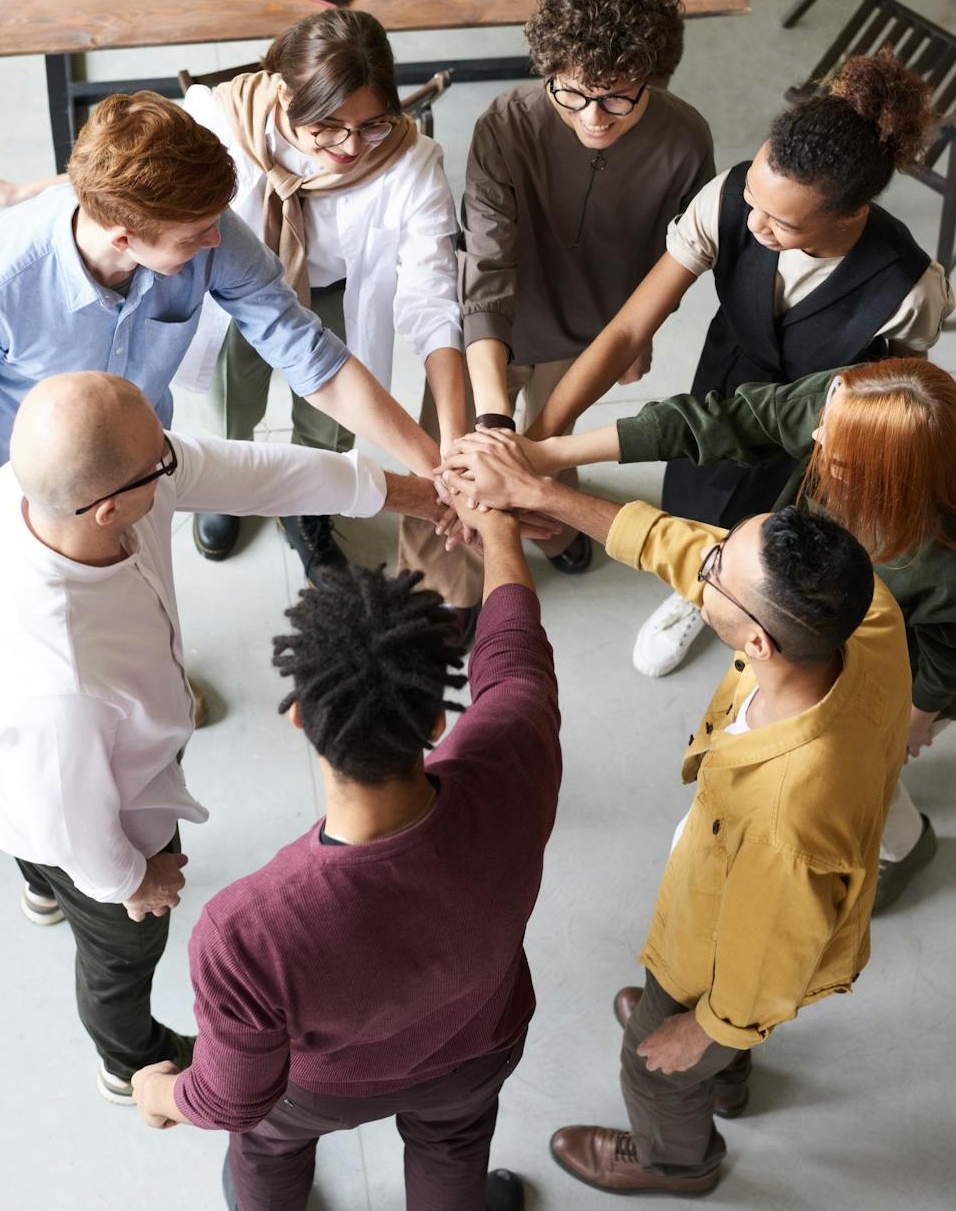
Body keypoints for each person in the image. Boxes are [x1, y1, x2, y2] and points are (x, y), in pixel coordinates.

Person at [440, 429, 910, 1196]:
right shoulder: (863, 613)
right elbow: (687, 551)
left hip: (730, 946)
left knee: (652, 1065)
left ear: (756, 640)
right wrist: (544, 495)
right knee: (694, 1026)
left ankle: (678, 1159)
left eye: (719, 569)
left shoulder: (786, 820)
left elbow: (770, 963)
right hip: (742, 899)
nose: (705, 562)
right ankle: (728, 1075)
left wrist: (705, 1029)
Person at [0, 371, 444, 1105]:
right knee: (120, 950)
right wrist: (132, 882)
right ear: (110, 509)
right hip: (87, 813)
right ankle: (126, 1057)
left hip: (53, 760)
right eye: (161, 461)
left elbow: (258, 474)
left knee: (50, 853)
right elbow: (65, 817)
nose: (176, 459)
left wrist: (414, 495)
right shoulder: (65, 681)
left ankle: (41, 887)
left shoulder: (58, 485)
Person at [130, 497, 561, 1211]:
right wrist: (503, 532)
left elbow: (234, 1099)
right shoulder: (515, 754)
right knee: (452, 1146)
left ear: (300, 717)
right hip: (479, 1043)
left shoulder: (246, 931)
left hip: (317, 1093)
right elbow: (516, 658)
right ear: (435, 715)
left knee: (269, 1147)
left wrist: (161, 1094)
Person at [524, 51, 953, 678]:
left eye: (780, 221)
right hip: (727, 378)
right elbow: (626, 329)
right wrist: (540, 439)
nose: (754, 225)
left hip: (819, 431)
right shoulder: (727, 200)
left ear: (851, 214)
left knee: (778, 537)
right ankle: (695, 590)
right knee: (696, 488)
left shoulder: (911, 289)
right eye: (753, 197)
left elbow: (892, 397)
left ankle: (743, 607)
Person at [495, 356, 956, 908]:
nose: (813, 433)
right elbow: (728, 422)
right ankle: (905, 837)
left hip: (895, 673)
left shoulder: (938, 562)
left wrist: (912, 720)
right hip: (815, 634)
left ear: (884, 478)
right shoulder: (851, 404)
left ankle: (903, 849)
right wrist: (545, 460)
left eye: (833, 447)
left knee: (864, 768)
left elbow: (945, 656)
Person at [398, 0, 714, 607]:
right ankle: (445, 588)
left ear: (653, 77)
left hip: (591, 332)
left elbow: (669, 267)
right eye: (570, 93)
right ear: (547, 70)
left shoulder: (685, 141)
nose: (594, 117)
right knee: (454, 457)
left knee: (550, 449)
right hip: (492, 334)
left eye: (618, 96)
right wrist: (490, 423)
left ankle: (550, 528)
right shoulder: (506, 126)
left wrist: (635, 345)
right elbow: (485, 276)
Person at [0, 90, 438, 481]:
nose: (215, 241)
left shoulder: (205, 223)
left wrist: (434, 469)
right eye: (193, 238)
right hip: (24, 476)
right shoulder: (10, 280)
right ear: (123, 240)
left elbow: (308, 354)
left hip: (145, 460)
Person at [179, 10, 467, 589]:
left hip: (330, 294)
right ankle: (229, 485)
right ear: (285, 96)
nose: (352, 146)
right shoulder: (218, 120)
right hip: (235, 291)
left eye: (373, 125)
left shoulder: (411, 163)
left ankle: (308, 505)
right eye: (330, 127)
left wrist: (452, 449)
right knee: (230, 402)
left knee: (330, 423)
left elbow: (433, 299)